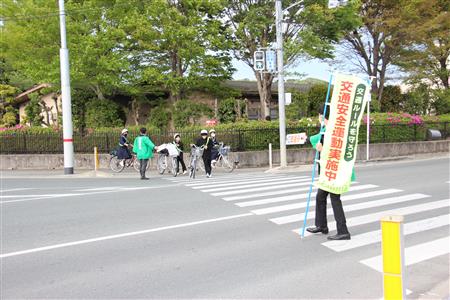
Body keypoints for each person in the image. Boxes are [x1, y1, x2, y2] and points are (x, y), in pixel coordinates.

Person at [307, 106, 351, 240]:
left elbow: (336, 150)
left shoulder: (335, 131)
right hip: (326, 172)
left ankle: (343, 231)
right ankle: (322, 225)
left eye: (320, 115)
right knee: (320, 197)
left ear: (322, 115)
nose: (318, 118)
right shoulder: (325, 130)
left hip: (333, 171)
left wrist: (322, 148)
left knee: (335, 199)